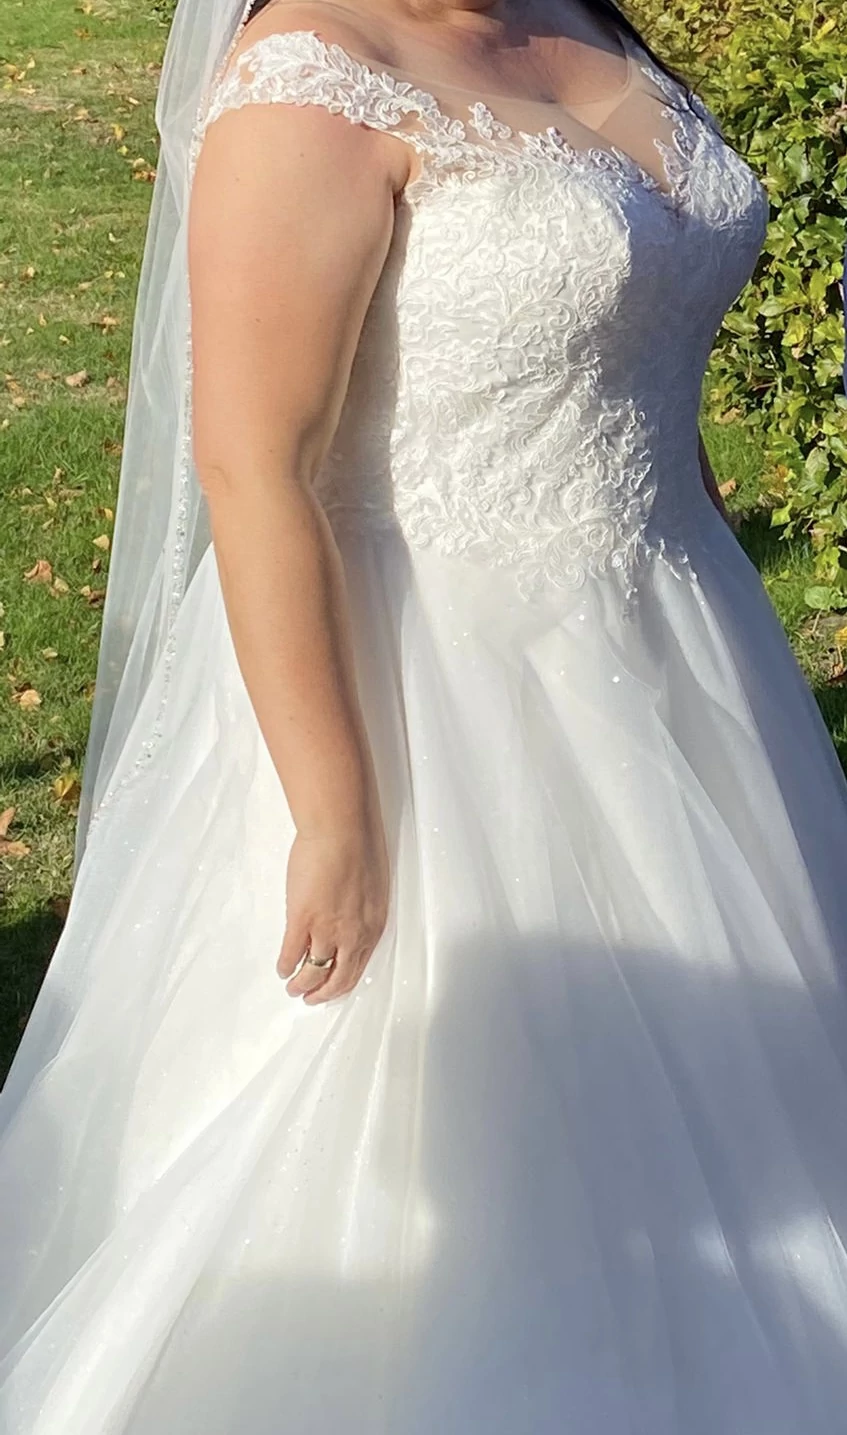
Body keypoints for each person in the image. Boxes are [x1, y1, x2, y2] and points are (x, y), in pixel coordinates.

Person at [3, 0, 847, 1428]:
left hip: (677, 638)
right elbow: (255, 463)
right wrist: (335, 811)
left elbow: (634, 311)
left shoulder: (574, 21)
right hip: (426, 687)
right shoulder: (312, 78)